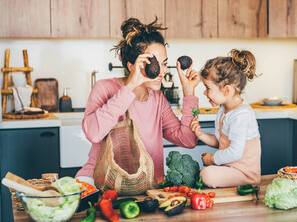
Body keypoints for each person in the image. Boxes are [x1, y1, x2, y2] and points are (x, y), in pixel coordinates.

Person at [76, 17, 200, 185]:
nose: (162, 71)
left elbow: (188, 140)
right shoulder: (104, 88)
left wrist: (189, 92)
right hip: (101, 182)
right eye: (154, 64)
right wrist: (131, 86)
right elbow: (93, 133)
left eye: (164, 64)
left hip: (145, 186)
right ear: (131, 66)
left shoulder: (158, 100)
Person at [190, 49, 261, 188]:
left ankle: (250, 182)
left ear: (226, 90)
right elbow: (221, 143)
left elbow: (235, 152)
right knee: (204, 174)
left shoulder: (241, 115)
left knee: (206, 174)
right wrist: (200, 134)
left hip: (245, 174)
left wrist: (212, 159)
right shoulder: (224, 110)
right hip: (230, 169)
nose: (204, 93)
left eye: (207, 88)